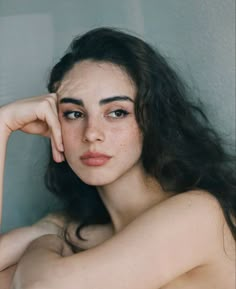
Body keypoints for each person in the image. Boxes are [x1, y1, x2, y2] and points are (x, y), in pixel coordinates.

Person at [0, 27, 235, 289]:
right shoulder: (73, 228)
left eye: (117, 112)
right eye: (74, 114)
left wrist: (42, 243)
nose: (92, 134)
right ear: (54, 123)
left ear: (151, 119)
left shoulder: (199, 214)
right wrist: (3, 124)